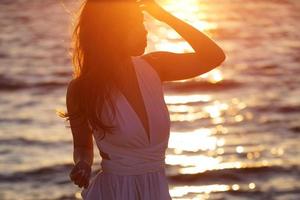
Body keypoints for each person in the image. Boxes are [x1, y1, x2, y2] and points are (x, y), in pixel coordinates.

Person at [61, 0, 225, 199]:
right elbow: (82, 147)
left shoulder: (155, 67)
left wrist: (165, 16)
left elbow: (213, 56)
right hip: (115, 193)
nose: (145, 30)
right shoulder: (82, 89)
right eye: (137, 23)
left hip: (156, 191)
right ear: (113, 31)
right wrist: (83, 164)